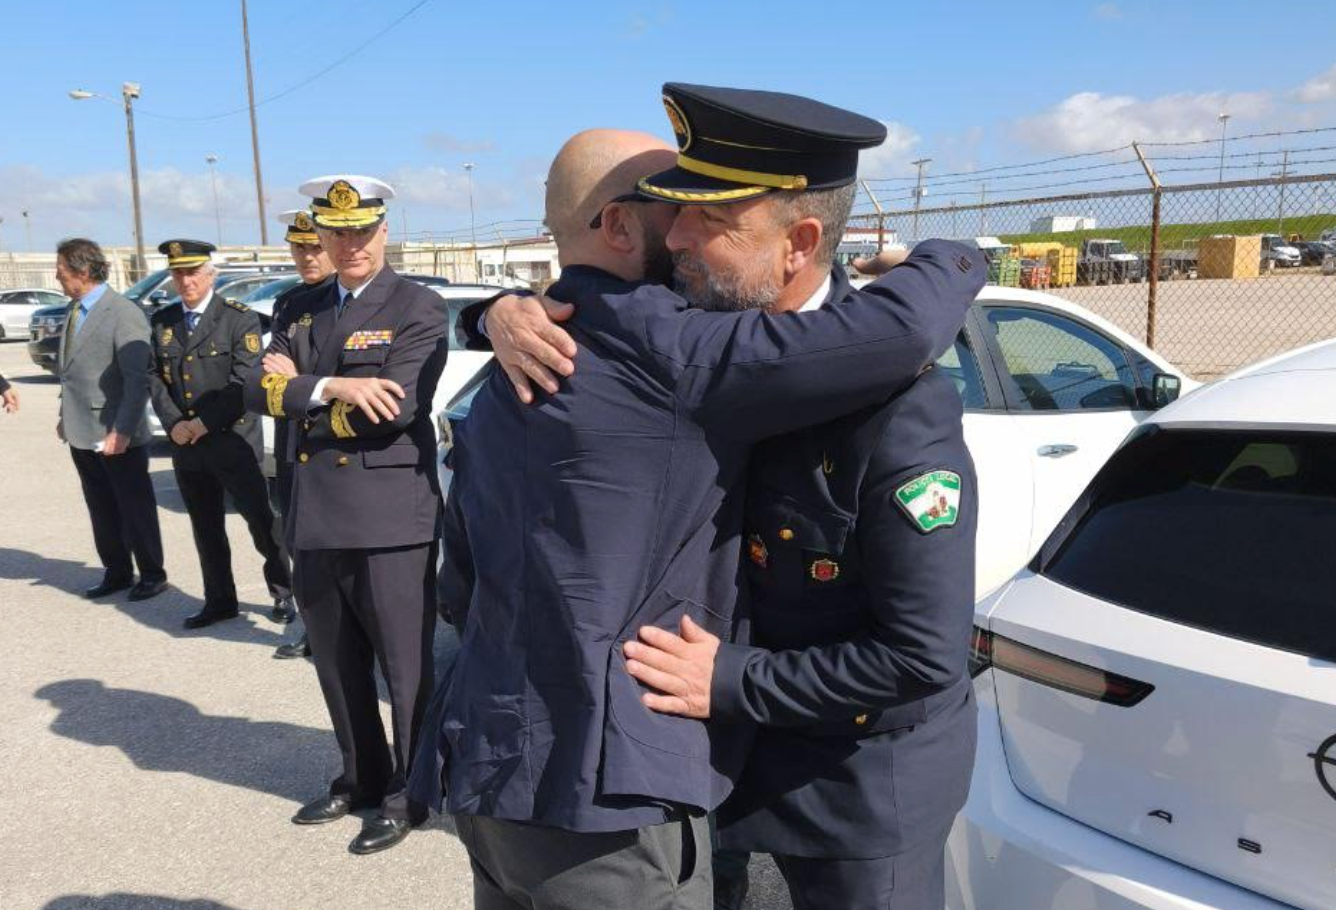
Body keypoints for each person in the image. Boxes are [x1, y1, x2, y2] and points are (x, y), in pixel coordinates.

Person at [423, 89, 982, 910]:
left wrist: (732, 681)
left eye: (708, 219)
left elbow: (922, 654)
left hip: (853, 780)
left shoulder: (892, 405)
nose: (680, 236)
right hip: (691, 758)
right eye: (671, 210)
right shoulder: (638, 340)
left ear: (797, 244)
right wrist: (494, 313)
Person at [242, 175, 448, 855]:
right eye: (337, 233)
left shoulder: (418, 305)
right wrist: (333, 386)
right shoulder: (298, 305)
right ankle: (363, 777)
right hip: (314, 513)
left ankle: (409, 793)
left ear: (384, 232)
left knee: (403, 666)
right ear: (320, 237)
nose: (350, 244)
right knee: (335, 661)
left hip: (389, 517)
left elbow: (395, 408)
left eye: (362, 230)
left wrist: (295, 392)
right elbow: (253, 389)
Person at [145, 240, 294, 629]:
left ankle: (283, 591)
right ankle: (220, 600)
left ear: (210, 275)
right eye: (178, 273)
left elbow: (243, 381)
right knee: (205, 527)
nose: (186, 281)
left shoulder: (237, 318)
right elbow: (155, 379)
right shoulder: (162, 322)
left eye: (193, 272)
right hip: (187, 446)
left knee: (261, 522)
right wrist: (175, 423)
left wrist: (201, 424)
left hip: (232, 441)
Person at [54, 237, 167, 601]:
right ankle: (117, 571)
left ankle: (152, 573)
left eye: (61, 273)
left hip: (116, 432)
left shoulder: (122, 312)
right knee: (100, 506)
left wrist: (122, 430)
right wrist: (63, 415)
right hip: (81, 430)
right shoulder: (75, 309)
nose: (58, 280)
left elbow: (137, 379)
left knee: (134, 506)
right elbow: (72, 372)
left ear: (83, 271)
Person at [270, 210, 336, 660]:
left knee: (340, 544)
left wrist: (298, 381)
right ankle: (313, 627)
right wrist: (295, 382)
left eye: (315, 246)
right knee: (300, 541)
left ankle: (347, 632)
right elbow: (265, 377)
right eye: (299, 247)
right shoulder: (288, 304)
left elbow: (345, 380)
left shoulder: (348, 301)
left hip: (336, 442)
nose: (307, 256)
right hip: (292, 442)